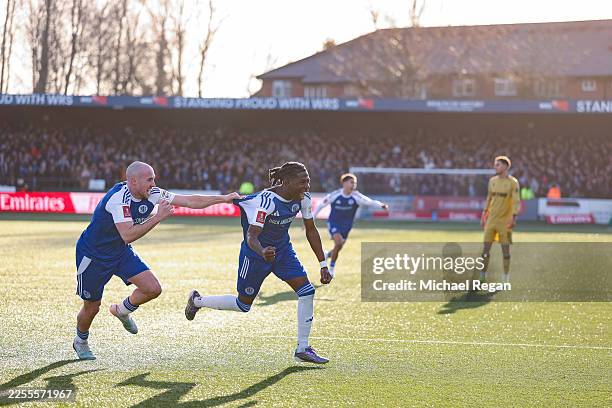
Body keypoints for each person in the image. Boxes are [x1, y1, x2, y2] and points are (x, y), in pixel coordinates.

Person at [73, 161, 239, 360]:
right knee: (92, 306)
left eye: (154, 179)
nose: (154, 183)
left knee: (152, 288)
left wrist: (224, 198)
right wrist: (157, 217)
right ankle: (80, 341)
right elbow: (128, 235)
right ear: (133, 181)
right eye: (149, 179)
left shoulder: (152, 193)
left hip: (119, 252)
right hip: (94, 256)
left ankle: (122, 311)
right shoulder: (119, 199)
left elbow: (190, 201)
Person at [184, 161, 332, 364]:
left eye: (308, 181)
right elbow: (251, 237)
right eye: (302, 182)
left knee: (307, 291)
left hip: (283, 252)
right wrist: (262, 251)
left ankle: (303, 348)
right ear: (287, 182)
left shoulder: (303, 198)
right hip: (254, 256)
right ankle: (197, 301)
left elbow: (311, 230)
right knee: (243, 305)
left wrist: (323, 264)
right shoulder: (266, 202)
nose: (307, 187)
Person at [313, 173, 388, 277]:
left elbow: (369, 202)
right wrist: (311, 220)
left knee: (338, 247)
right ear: (344, 183)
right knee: (338, 243)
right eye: (351, 182)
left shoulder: (356, 196)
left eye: (355, 183)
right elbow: (321, 205)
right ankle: (331, 270)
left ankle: (327, 255)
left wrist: (381, 205)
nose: (354, 185)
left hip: (347, 226)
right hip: (334, 223)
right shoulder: (335, 195)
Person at [478, 156, 520, 286]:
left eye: (498, 165)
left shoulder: (513, 182)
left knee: (505, 251)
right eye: (495, 164)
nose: (495, 167)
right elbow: (489, 198)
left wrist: (513, 216)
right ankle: (482, 276)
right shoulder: (492, 181)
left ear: (506, 167)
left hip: (505, 221)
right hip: (491, 220)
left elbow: (515, 201)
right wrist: (484, 213)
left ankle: (505, 277)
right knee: (485, 250)